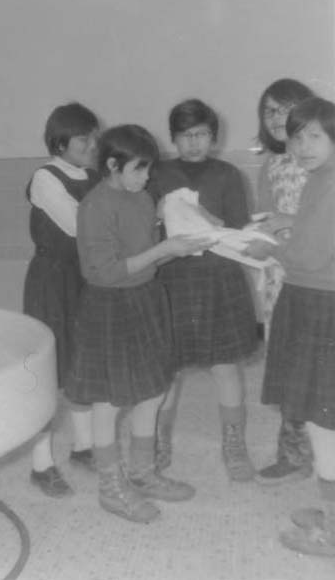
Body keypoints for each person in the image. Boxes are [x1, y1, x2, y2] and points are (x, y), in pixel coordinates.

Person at [67, 124, 212, 523]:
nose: (147, 177)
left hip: (146, 299)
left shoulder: (142, 197)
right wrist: (165, 247)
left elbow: (148, 257)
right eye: (139, 169)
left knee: (153, 391)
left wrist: (181, 246)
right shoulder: (95, 206)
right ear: (113, 165)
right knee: (109, 401)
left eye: (148, 169)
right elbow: (103, 272)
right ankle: (110, 487)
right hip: (109, 306)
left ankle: (142, 473)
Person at [148, 99, 260, 482]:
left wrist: (207, 218)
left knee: (225, 365)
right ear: (173, 138)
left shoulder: (228, 174)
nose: (194, 142)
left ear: (214, 137)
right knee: (169, 369)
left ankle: (234, 443)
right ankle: (158, 441)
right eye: (185, 135)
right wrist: (157, 214)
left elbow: (240, 231)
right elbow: (144, 230)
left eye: (202, 134)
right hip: (172, 279)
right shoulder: (158, 173)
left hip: (219, 277)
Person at [246, 97, 335, 556]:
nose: (303, 146)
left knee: (325, 420)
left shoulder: (330, 181)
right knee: (325, 416)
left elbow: (311, 257)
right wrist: (289, 222)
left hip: (320, 301)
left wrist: (270, 248)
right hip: (317, 298)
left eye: (315, 136)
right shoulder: (322, 177)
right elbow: (318, 231)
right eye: (297, 137)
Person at [23, 103, 100, 497]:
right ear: (60, 142)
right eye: (83, 138)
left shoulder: (94, 177)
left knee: (83, 364)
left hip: (85, 279)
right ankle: (41, 465)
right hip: (51, 283)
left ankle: (84, 447)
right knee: (49, 374)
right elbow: (79, 225)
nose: (92, 145)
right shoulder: (45, 177)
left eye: (93, 137)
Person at [252, 78, 315, 485]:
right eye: (269, 110)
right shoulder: (270, 165)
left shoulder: (322, 161)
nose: (276, 118)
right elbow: (263, 218)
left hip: (320, 277)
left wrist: (291, 222)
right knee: (289, 364)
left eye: (286, 108)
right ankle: (293, 454)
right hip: (281, 276)